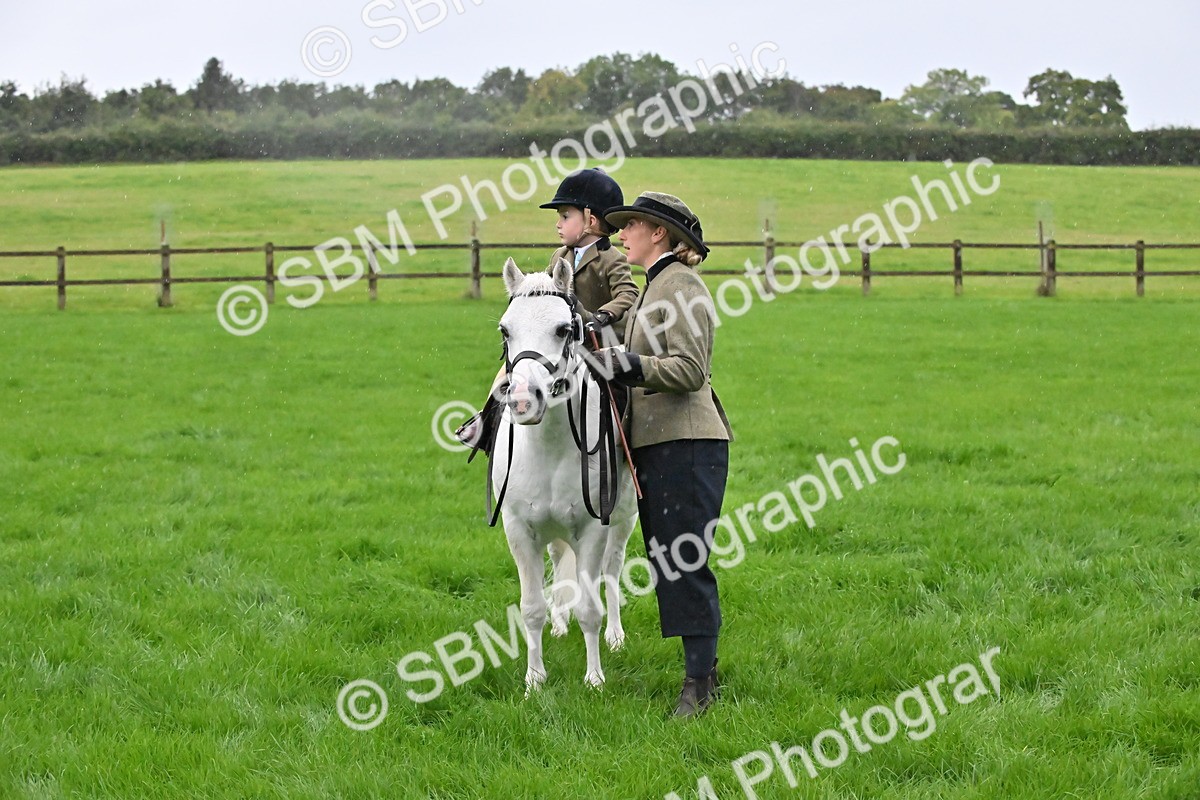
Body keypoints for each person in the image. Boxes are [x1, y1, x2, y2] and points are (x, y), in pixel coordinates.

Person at [597, 192, 733, 718]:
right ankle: (704, 674)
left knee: (683, 561)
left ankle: (698, 685)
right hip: (661, 445)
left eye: (629, 225)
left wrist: (628, 365)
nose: (622, 234)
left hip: (689, 443)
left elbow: (690, 370)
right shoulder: (658, 286)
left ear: (658, 232)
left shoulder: (682, 285)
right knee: (668, 561)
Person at [455, 168, 638, 454]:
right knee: (507, 372)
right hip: (561, 341)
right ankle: (486, 426)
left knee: (621, 387)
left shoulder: (613, 260)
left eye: (565, 217)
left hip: (599, 341)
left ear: (590, 220)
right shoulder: (559, 256)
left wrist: (602, 316)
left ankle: (632, 446)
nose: (558, 224)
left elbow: (628, 294)